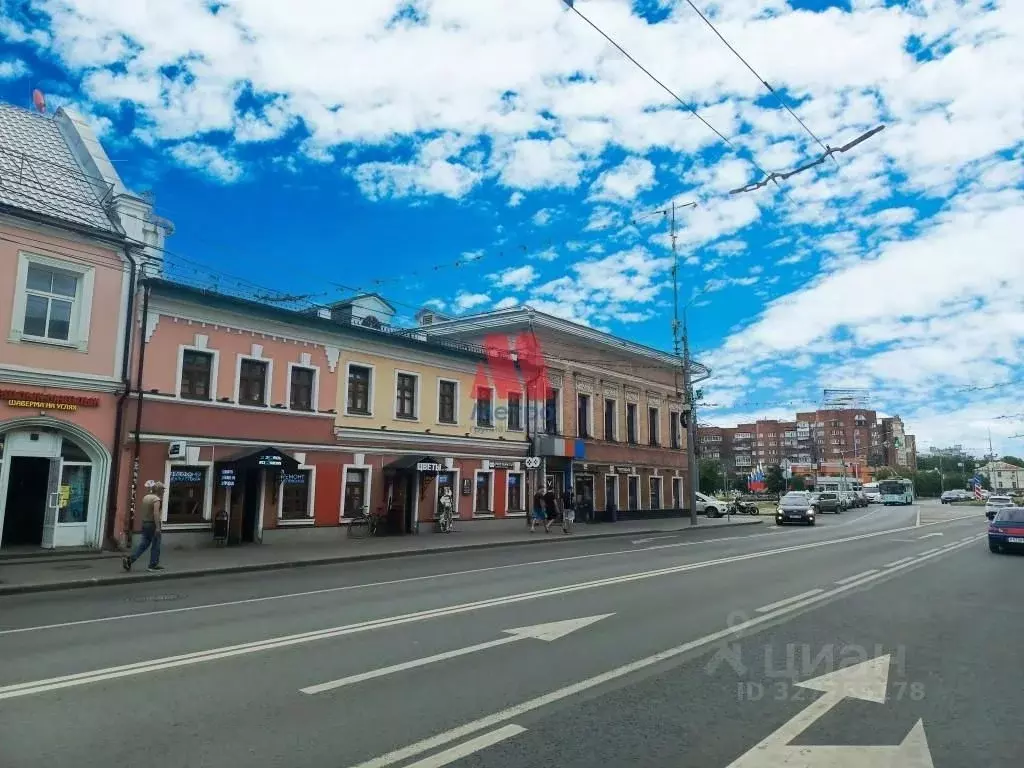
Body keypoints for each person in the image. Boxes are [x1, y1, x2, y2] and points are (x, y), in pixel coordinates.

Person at [122, 481, 165, 572]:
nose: (164, 491)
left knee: (143, 544)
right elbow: (156, 513)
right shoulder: (156, 500)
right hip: (153, 524)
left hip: (145, 523)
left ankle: (130, 559)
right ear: (159, 490)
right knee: (156, 545)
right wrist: (157, 527)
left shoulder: (146, 497)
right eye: (163, 489)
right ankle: (153, 565)